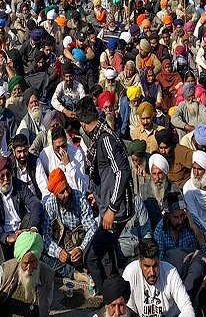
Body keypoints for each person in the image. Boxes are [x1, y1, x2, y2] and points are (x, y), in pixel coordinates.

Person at [76, 95, 134, 290]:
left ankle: (108, 297)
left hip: (115, 211)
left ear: (84, 125)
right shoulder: (100, 137)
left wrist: (111, 208)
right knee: (109, 259)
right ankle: (116, 294)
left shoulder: (105, 139)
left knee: (91, 256)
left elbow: (121, 172)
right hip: (107, 207)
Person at [0, 155, 42, 262]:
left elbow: (35, 204)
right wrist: (6, 237)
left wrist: (32, 228)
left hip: (20, 231)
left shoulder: (19, 186)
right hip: (3, 235)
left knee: (30, 217)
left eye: (8, 175)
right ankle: (5, 273)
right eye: (2, 176)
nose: (6, 179)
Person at [41, 168, 96, 280]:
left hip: (80, 245)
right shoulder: (50, 205)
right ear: (56, 195)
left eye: (67, 188)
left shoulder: (79, 198)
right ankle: (74, 274)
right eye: (62, 192)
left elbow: (91, 228)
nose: (66, 194)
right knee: (43, 258)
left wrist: (81, 248)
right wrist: (58, 252)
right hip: (62, 247)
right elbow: (45, 236)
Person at [0, 231, 55, 316]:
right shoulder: (7, 270)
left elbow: (46, 305)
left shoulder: (48, 274)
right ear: (20, 260)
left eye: (33, 261)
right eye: (26, 263)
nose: (30, 267)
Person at [122, 238, 195, 317]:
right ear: (140, 263)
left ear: (159, 260)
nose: (152, 272)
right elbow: (128, 310)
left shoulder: (170, 272)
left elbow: (187, 308)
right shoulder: (130, 272)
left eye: (155, 265)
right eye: (147, 266)